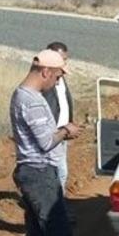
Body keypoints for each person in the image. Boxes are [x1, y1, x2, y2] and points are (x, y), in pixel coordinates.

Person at [9, 50, 83, 236]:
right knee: (57, 230)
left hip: (31, 171)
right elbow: (44, 141)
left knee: (38, 233)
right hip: (39, 173)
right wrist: (66, 131)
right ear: (45, 72)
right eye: (58, 75)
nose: (59, 81)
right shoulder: (32, 101)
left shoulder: (22, 95)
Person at [42, 42, 75, 191]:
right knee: (60, 172)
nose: (64, 63)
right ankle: (56, 208)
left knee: (60, 172)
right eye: (62, 59)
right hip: (52, 134)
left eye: (65, 59)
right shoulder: (46, 81)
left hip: (63, 133)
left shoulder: (60, 78)